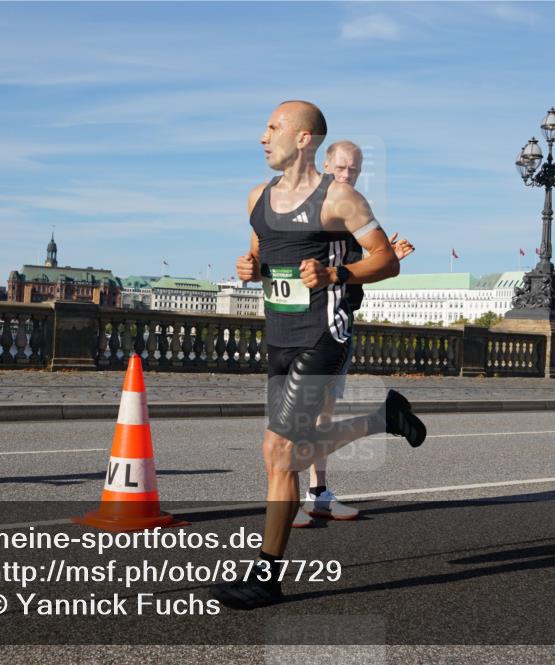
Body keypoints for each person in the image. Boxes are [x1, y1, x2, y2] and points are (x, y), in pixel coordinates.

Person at [210, 101, 427, 610]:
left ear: (303, 138)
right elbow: (264, 255)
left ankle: (266, 575)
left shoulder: (340, 199)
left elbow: (386, 260)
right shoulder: (256, 199)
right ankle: (383, 418)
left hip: (322, 337)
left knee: (280, 454)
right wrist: (250, 267)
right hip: (279, 338)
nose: (264, 137)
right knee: (280, 455)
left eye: (273, 127)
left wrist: (338, 275)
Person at [293, 140, 415, 528]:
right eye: (341, 168)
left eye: (354, 171)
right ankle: (288, 497)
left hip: (340, 322)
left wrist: (382, 256)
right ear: (325, 164)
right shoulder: (313, 207)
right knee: (296, 416)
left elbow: (349, 268)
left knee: (323, 414)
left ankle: (318, 493)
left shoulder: (352, 210)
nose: (347, 176)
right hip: (306, 324)